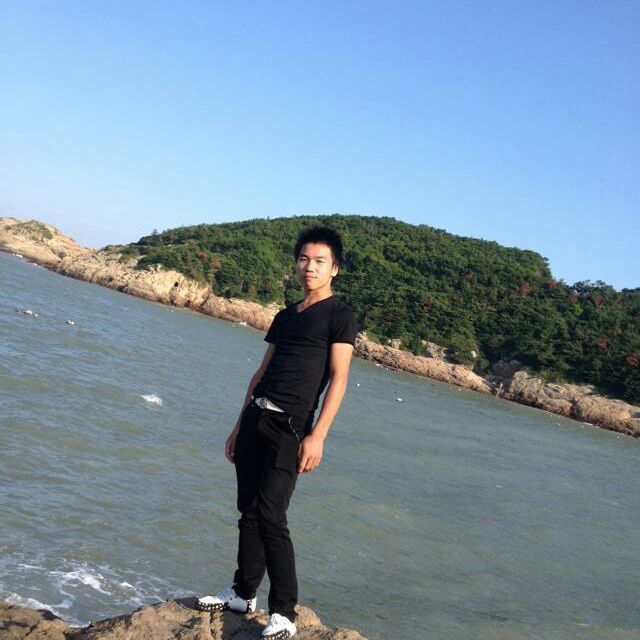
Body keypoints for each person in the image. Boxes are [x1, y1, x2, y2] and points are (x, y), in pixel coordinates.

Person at [197, 225, 358, 640]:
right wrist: (238, 425)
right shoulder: (287, 315)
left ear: (334, 268)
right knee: (249, 510)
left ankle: (285, 612)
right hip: (256, 418)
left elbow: (339, 379)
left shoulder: (339, 315)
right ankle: (242, 593)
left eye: (319, 261)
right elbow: (261, 372)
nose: (310, 267)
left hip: (291, 427)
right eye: (304, 259)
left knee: (271, 514)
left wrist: (318, 435)